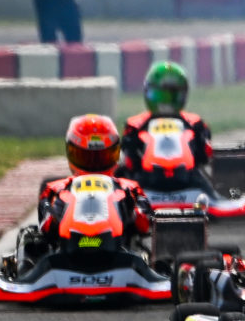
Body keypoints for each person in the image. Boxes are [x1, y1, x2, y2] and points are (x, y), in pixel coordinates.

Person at [17, 114, 152, 273]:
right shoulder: (56, 188)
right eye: (86, 157)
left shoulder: (128, 187)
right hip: (65, 250)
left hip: (122, 251)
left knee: (153, 236)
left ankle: (154, 265)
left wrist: (132, 214)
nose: (93, 165)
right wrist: (54, 219)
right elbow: (45, 226)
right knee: (29, 235)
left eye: (101, 157)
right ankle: (26, 270)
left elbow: (145, 224)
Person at [119, 61, 213, 181]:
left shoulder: (195, 124)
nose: (165, 100)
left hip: (189, 179)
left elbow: (204, 158)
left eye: (171, 94)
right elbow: (129, 160)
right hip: (144, 181)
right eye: (161, 93)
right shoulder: (135, 125)